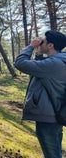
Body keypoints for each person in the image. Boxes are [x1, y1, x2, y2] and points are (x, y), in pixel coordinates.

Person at [14, 30, 66, 158]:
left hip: (48, 118)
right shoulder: (59, 61)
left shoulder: (53, 64)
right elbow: (39, 74)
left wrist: (31, 46)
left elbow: (20, 63)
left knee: (52, 155)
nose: (39, 43)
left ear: (50, 45)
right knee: (54, 152)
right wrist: (38, 55)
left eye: (42, 42)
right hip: (55, 114)